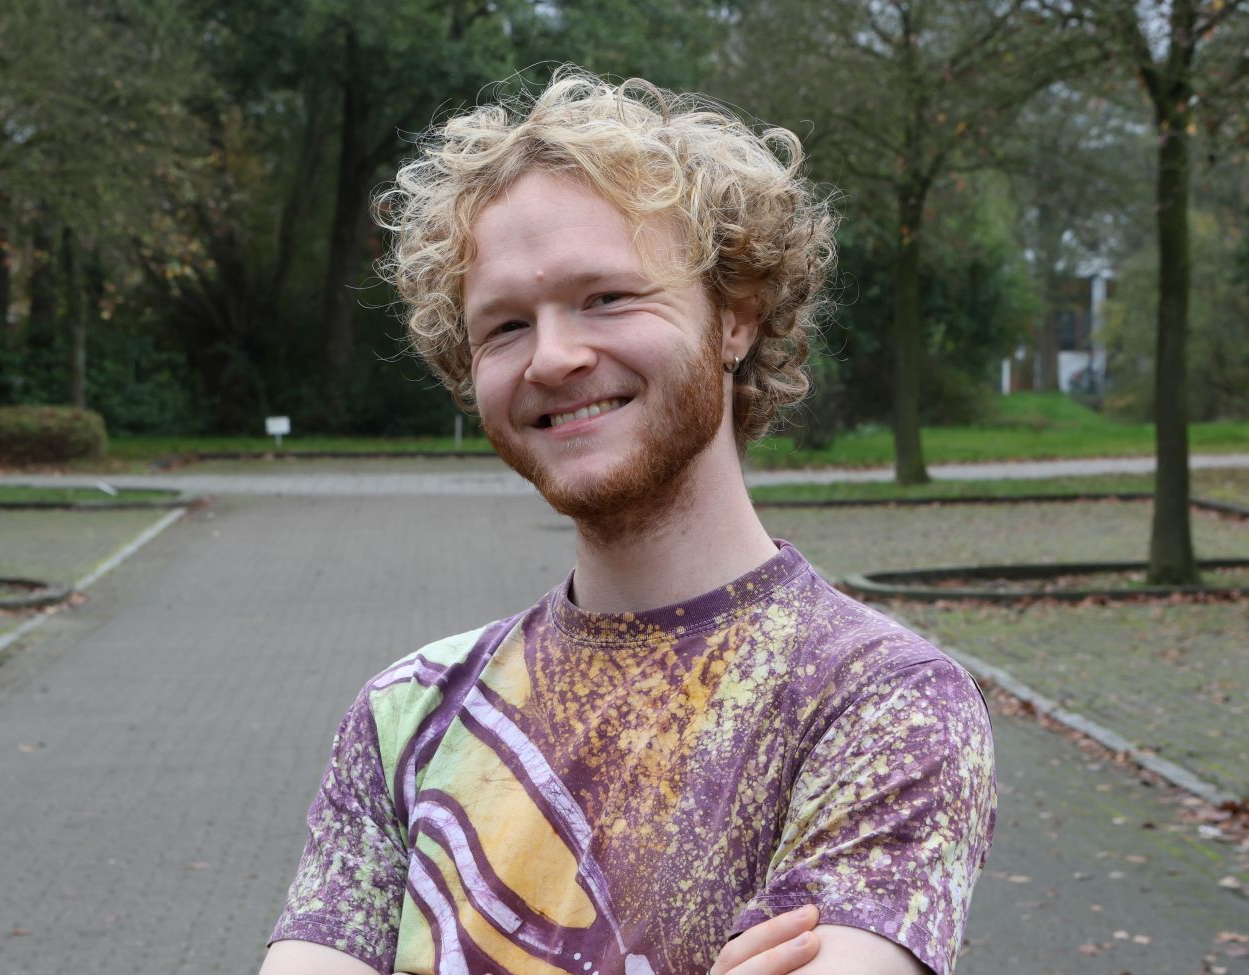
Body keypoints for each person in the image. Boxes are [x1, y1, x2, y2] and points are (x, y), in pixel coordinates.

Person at [261, 70, 996, 975]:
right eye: (503, 327)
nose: (555, 357)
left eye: (606, 297)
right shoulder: (403, 717)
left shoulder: (881, 704)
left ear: (736, 315)